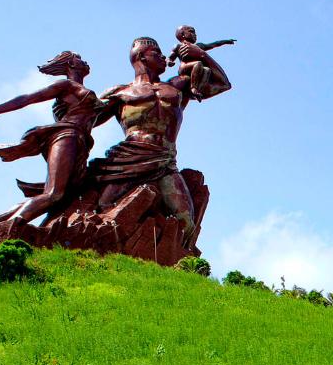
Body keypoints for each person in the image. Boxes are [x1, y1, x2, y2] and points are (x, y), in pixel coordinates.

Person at [91, 36, 231, 246]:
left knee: (186, 223)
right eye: (156, 53)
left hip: (165, 160)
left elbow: (222, 84)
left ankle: (172, 263)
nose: (164, 56)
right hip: (128, 158)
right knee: (103, 206)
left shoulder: (177, 86)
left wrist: (200, 54)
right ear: (141, 57)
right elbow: (84, 120)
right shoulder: (120, 93)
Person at [0, 51, 102, 224]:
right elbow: (27, 99)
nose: (85, 62)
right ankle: (7, 227)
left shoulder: (80, 90)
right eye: (80, 59)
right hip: (67, 136)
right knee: (53, 194)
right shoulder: (66, 86)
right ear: (70, 65)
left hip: (81, 143)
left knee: (63, 195)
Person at [166, 25, 235, 101]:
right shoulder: (178, 46)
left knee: (206, 70)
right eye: (191, 32)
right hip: (184, 67)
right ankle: (193, 88)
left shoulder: (198, 46)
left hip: (198, 68)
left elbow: (213, 44)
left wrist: (226, 41)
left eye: (195, 33)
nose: (195, 35)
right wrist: (169, 62)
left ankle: (199, 89)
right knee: (198, 63)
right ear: (182, 34)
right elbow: (170, 57)